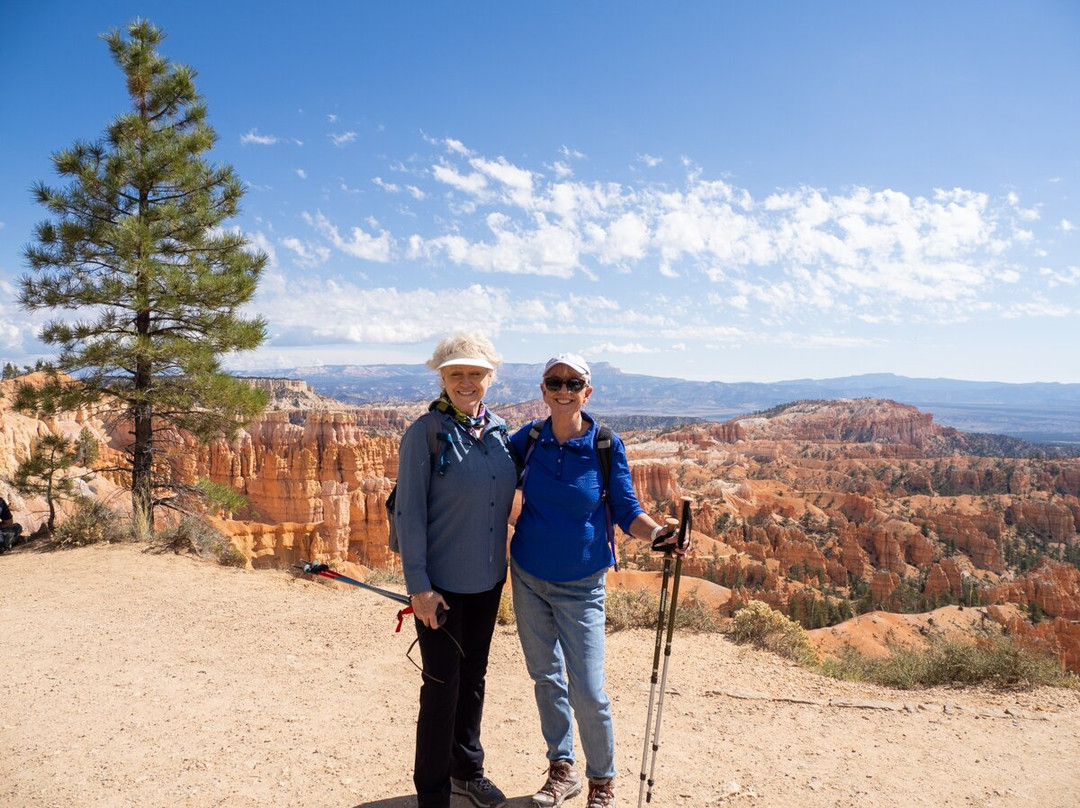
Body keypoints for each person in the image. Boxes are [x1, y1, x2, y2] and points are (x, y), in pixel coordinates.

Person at [508, 353, 689, 808]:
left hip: (582, 584)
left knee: (588, 689)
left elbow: (627, 509)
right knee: (546, 678)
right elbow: (483, 481)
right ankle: (562, 768)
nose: (564, 390)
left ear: (588, 392)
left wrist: (659, 535)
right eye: (555, 382)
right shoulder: (526, 440)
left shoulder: (606, 445)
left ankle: (602, 781)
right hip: (528, 576)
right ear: (543, 390)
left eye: (574, 384)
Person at [393, 332, 519, 808]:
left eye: (476, 373)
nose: (466, 382)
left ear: (491, 377)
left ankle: (468, 770)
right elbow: (409, 514)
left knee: (475, 677)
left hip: (488, 581)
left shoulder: (501, 432)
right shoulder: (425, 432)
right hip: (441, 588)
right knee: (442, 686)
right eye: (456, 373)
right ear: (442, 378)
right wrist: (419, 588)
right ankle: (433, 793)